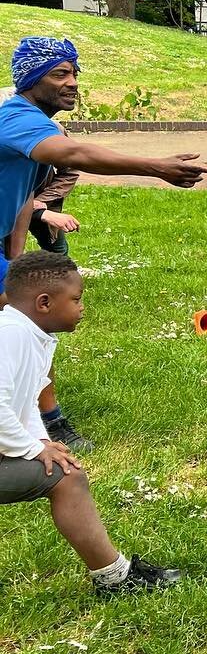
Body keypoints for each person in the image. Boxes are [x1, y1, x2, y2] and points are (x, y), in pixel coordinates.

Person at [1, 37, 207, 452]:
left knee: (27, 323)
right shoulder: (14, 118)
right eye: (60, 74)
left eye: (75, 73)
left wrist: (15, 257)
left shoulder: (33, 124)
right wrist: (155, 167)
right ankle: (44, 424)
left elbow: (24, 198)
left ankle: (38, 417)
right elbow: (75, 153)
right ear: (30, 79)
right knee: (27, 323)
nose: (72, 82)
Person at [0, 252, 182, 593]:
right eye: (76, 299)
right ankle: (116, 580)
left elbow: (24, 404)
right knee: (67, 477)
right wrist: (29, 449)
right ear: (44, 302)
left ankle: (116, 575)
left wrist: (41, 441)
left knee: (64, 469)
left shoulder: (33, 336)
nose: (82, 308)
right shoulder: (10, 335)